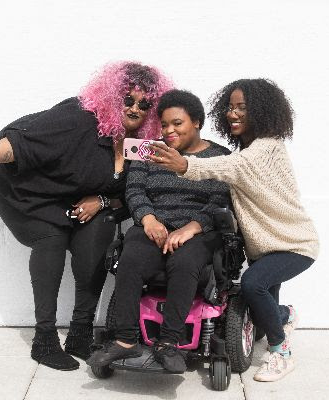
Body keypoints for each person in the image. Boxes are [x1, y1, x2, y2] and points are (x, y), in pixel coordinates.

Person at [0, 61, 173, 371]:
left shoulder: (139, 145)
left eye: (145, 103)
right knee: (52, 238)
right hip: (22, 185)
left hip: (73, 194)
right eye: (128, 98)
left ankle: (80, 334)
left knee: (100, 234)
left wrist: (101, 201)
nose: (136, 108)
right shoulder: (79, 119)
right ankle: (44, 340)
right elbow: (22, 142)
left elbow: (133, 193)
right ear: (113, 96)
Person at [149, 79, 319, 382]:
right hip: (265, 247)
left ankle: (281, 353)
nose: (233, 113)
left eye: (242, 107)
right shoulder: (249, 147)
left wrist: (184, 165)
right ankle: (283, 316)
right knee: (261, 316)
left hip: (293, 244)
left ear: (263, 111)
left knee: (252, 285)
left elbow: (230, 167)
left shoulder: (265, 149)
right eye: (230, 107)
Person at [87, 89, 231, 373]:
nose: (169, 130)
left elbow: (221, 198)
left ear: (197, 122)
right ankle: (126, 340)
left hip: (198, 231)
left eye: (177, 123)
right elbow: (135, 190)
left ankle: (169, 343)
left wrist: (193, 227)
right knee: (131, 258)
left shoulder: (219, 156)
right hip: (155, 226)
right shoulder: (148, 152)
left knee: (185, 261)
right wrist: (149, 219)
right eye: (164, 124)